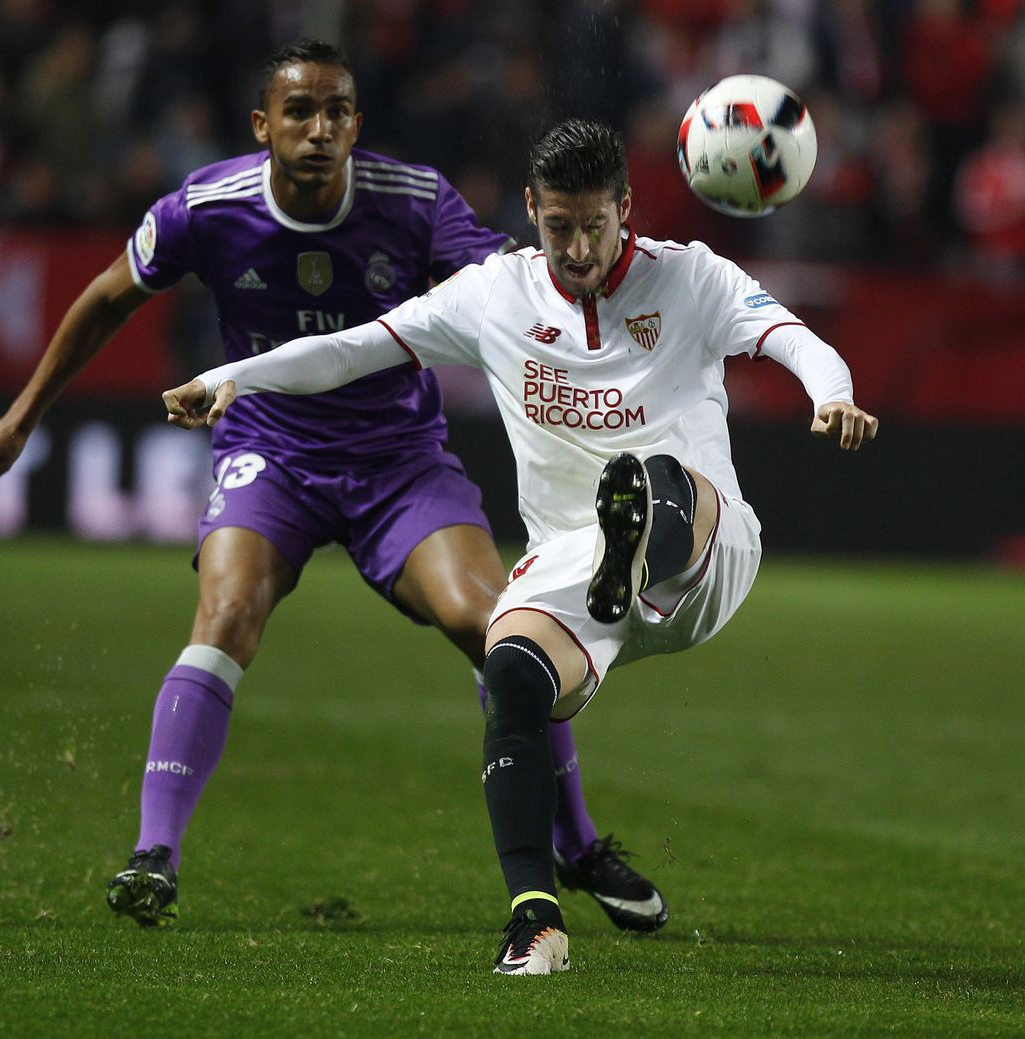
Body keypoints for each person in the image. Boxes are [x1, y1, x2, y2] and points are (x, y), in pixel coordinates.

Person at [0, 42, 667, 933]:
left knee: (501, 630)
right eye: (300, 111)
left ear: (357, 126)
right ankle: (153, 854)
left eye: (337, 112)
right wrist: (20, 418)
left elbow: (515, 290)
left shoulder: (413, 201)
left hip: (398, 459)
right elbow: (106, 297)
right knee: (224, 616)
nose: (319, 128)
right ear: (263, 126)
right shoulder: (206, 207)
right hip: (270, 453)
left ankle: (578, 842)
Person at [161, 118, 879, 974]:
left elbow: (794, 338)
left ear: (627, 209)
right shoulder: (493, 294)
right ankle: (534, 919)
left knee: (655, 479)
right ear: (533, 210)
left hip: (706, 552)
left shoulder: (690, 276)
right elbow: (354, 349)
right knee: (508, 673)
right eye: (557, 226)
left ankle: (643, 532)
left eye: (595, 226)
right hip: (577, 563)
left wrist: (831, 393)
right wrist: (235, 376)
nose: (577, 248)